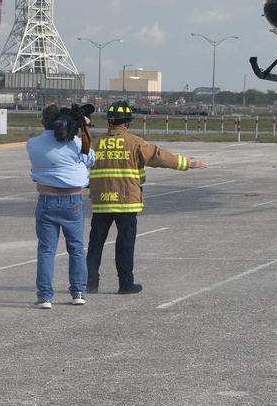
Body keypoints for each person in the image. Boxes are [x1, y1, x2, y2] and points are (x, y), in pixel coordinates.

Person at [86, 101, 207, 294]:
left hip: (101, 202)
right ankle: (125, 284)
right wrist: (188, 164)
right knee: (124, 244)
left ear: (110, 121)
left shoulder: (94, 143)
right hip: (126, 202)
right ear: (126, 123)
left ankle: (89, 283)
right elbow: (160, 157)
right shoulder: (135, 143)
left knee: (96, 243)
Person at [26, 104, 95, 309]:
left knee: (46, 250)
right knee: (76, 249)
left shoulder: (32, 144)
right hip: (72, 200)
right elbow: (91, 160)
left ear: (43, 122)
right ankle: (78, 292)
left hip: (46, 199)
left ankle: (45, 296)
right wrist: (85, 130)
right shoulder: (75, 143)